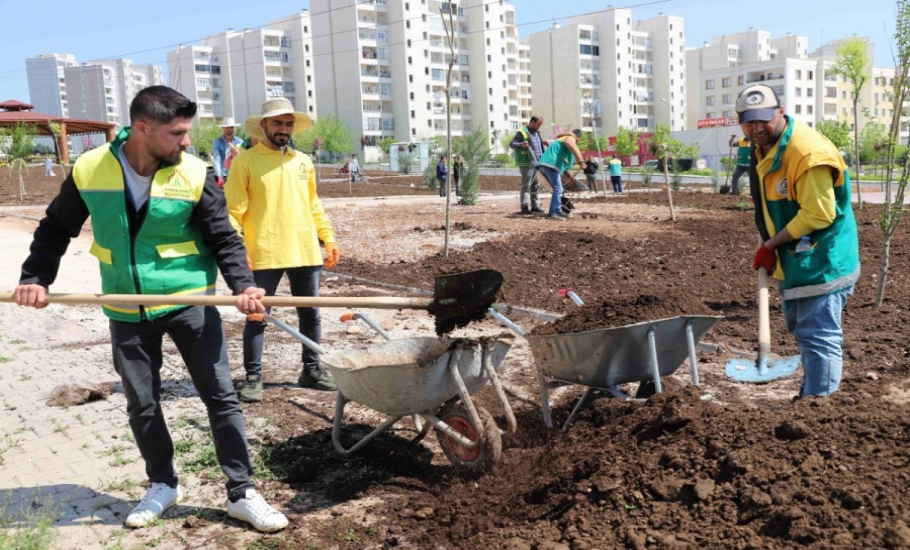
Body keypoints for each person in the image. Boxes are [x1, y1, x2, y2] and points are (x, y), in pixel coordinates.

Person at [12, 86, 288, 532]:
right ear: (143, 128)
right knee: (142, 404)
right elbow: (55, 228)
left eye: (187, 133)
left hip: (190, 303)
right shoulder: (89, 168)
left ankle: (242, 492)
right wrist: (35, 279)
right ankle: (162, 484)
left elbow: (222, 236)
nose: (185, 142)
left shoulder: (195, 173)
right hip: (125, 306)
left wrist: (244, 286)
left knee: (220, 398)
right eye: (177, 133)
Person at [738, 83, 860, 398]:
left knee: (818, 335)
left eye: (763, 119)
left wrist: (770, 244)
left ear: (780, 111)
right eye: (749, 121)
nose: (757, 127)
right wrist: (772, 246)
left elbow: (819, 214)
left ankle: (819, 407)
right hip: (796, 256)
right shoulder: (760, 146)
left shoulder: (807, 152)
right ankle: (811, 394)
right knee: (803, 330)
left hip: (823, 259)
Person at [225, 97, 340, 400]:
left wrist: (328, 237)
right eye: (277, 122)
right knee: (257, 315)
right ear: (263, 125)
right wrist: (238, 250)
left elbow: (313, 203)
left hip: (304, 250)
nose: (284, 129)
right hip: (263, 252)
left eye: (288, 124)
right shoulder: (245, 161)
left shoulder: (303, 162)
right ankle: (252, 377)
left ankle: (312, 369)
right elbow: (233, 211)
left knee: (311, 313)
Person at [535, 128, 586, 221]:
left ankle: (558, 211)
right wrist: (581, 161)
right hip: (550, 165)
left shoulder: (564, 145)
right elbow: (572, 146)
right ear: (578, 138)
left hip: (549, 166)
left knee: (559, 189)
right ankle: (553, 213)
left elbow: (565, 168)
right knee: (558, 188)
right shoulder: (570, 137)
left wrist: (572, 178)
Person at [510, 115, 546, 215]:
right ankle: (524, 206)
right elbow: (512, 144)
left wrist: (544, 144)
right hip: (528, 164)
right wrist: (521, 144)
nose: (539, 126)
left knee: (535, 185)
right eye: (538, 124)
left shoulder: (537, 133)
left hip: (537, 164)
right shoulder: (522, 133)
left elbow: (537, 146)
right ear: (532, 122)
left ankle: (535, 206)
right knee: (526, 185)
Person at [212, 117, 243, 188]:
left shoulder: (239, 141)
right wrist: (219, 176)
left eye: (231, 127)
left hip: (237, 174)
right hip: (224, 175)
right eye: (227, 127)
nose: (229, 129)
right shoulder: (217, 142)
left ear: (234, 128)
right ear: (223, 128)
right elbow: (217, 159)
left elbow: (244, 157)